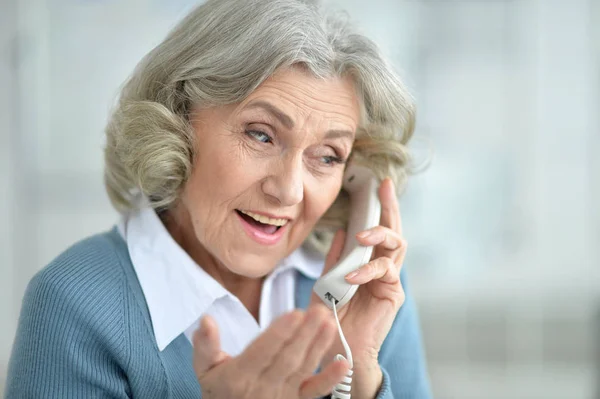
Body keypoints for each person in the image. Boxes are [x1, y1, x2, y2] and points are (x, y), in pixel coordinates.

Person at [5, 0, 432, 398]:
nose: (288, 190)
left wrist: (360, 374)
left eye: (327, 156)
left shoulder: (365, 286)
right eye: (260, 134)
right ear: (179, 122)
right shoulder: (74, 303)